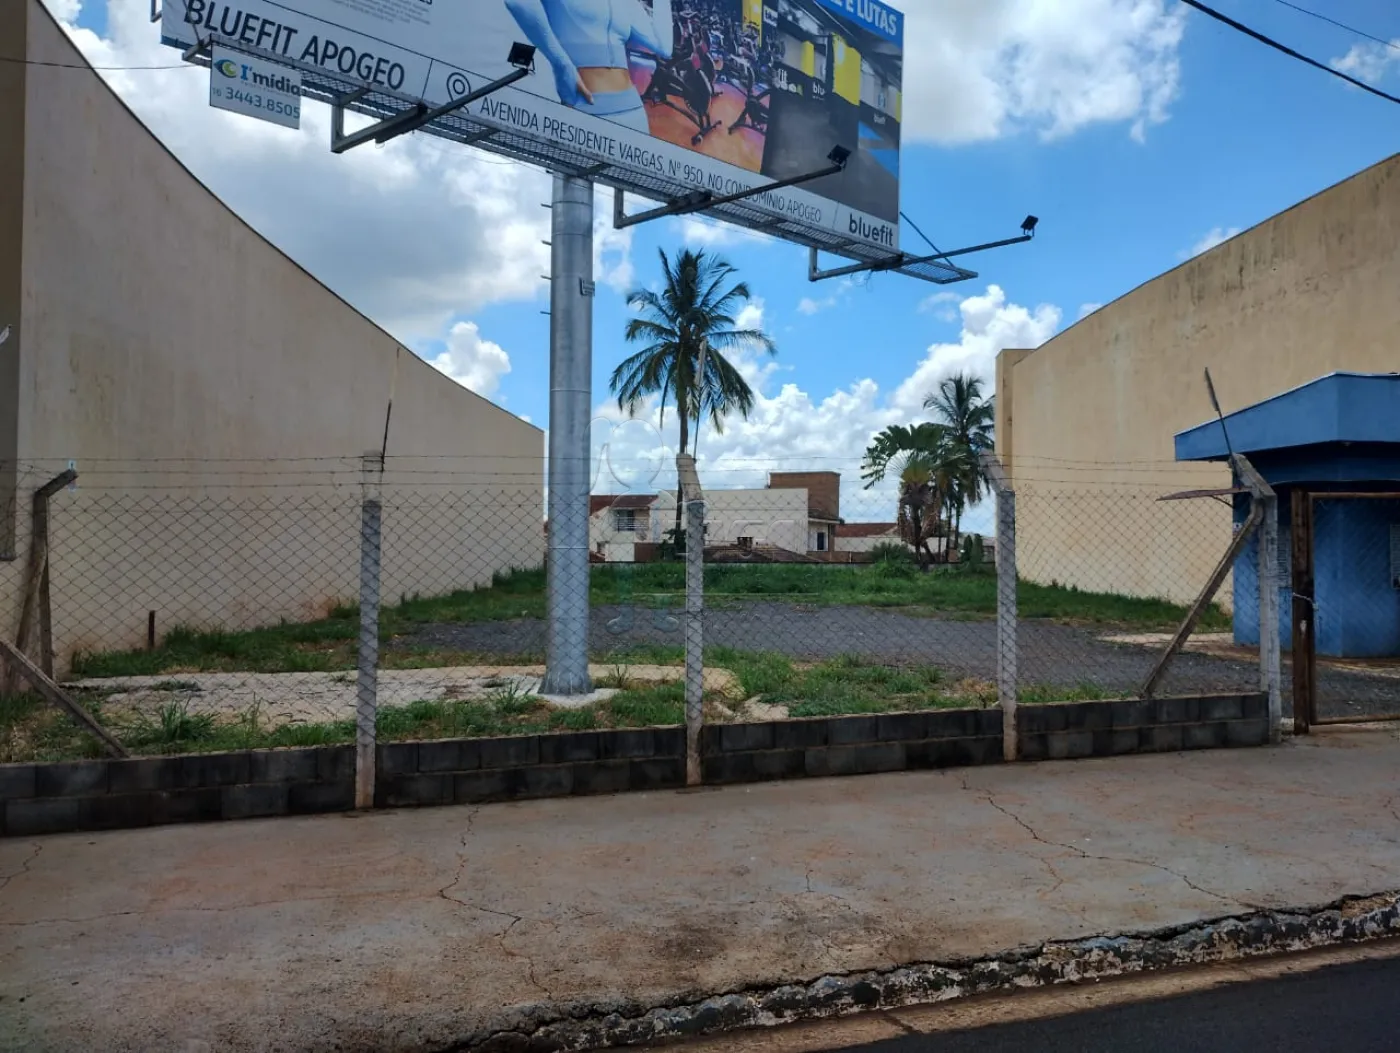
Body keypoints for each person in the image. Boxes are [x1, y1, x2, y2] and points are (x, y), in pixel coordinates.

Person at [504, 0, 674, 133]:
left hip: (633, 112)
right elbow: (519, 2)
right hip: (582, 107)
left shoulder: (627, 3)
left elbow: (664, 47)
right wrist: (561, 63)